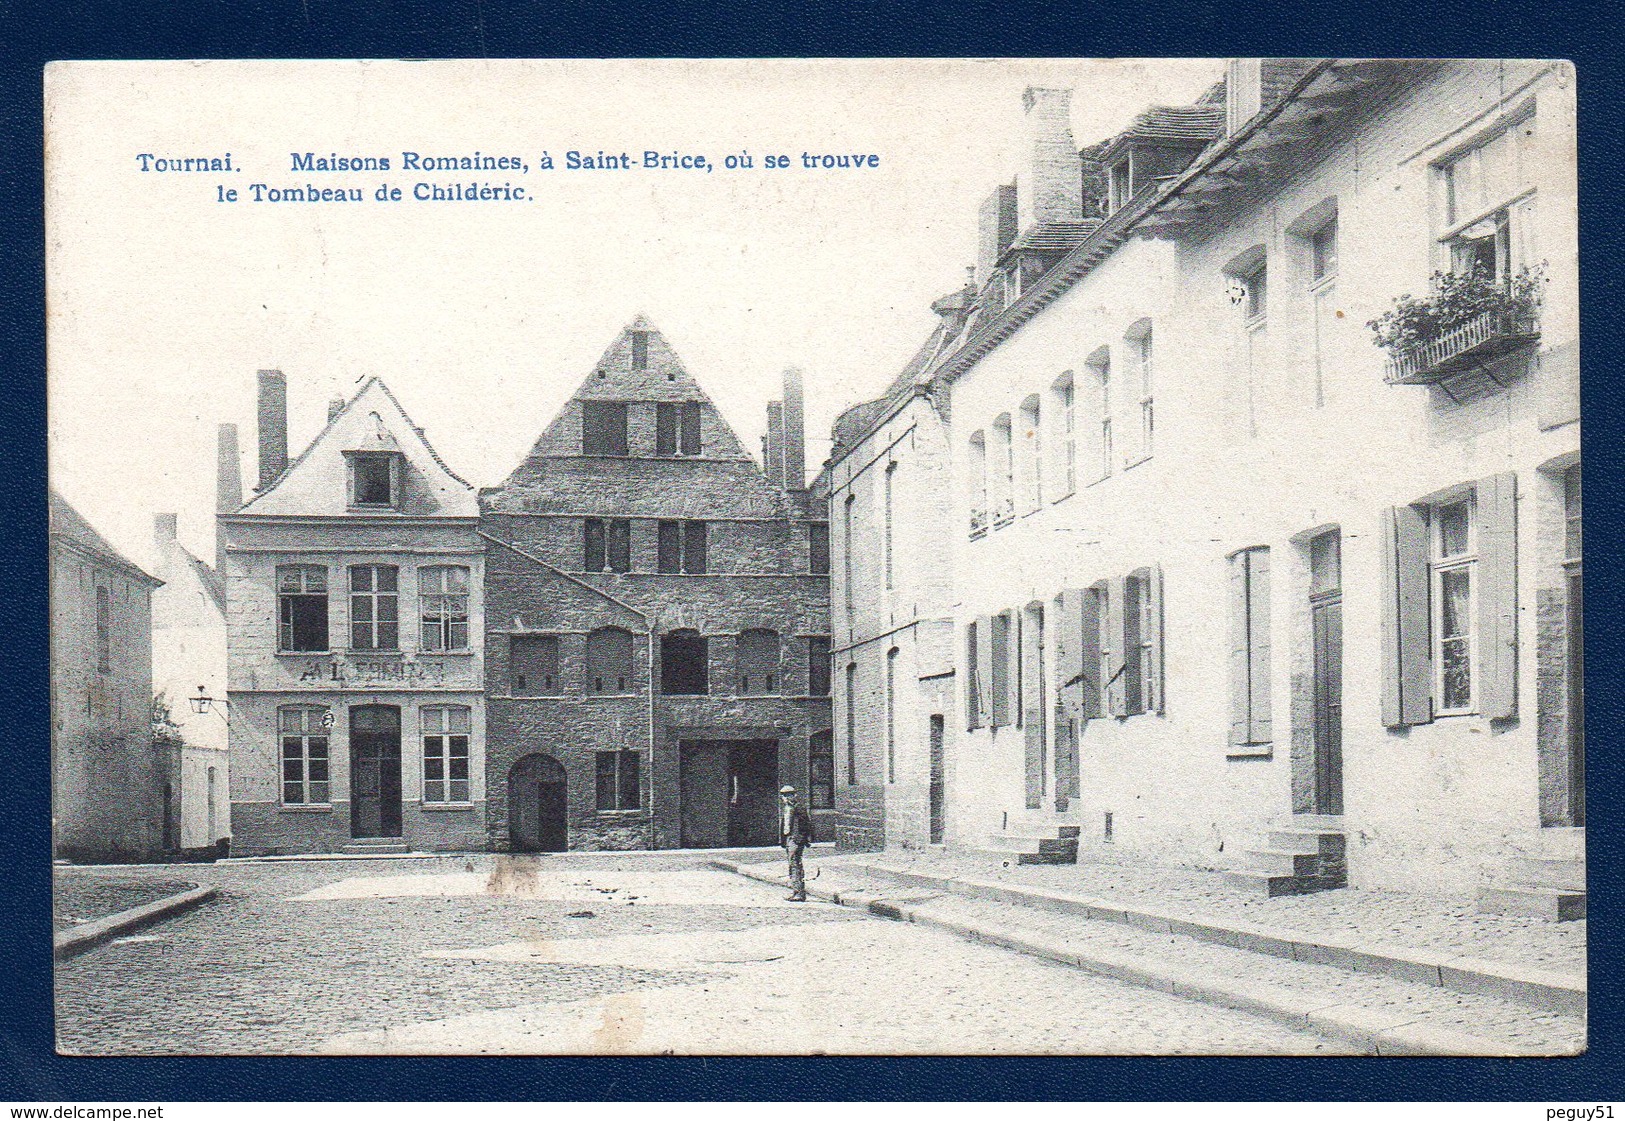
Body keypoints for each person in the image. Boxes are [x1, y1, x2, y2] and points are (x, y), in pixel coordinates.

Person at [779, 784, 812, 901]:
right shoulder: (786, 808)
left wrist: (801, 839)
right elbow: (785, 824)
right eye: (784, 796)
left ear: (795, 795)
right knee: (792, 864)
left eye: (789, 795)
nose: (786, 798)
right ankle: (795, 891)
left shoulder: (799, 807)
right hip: (788, 838)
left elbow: (806, 824)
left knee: (795, 864)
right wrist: (783, 840)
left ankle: (799, 893)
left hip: (795, 839)